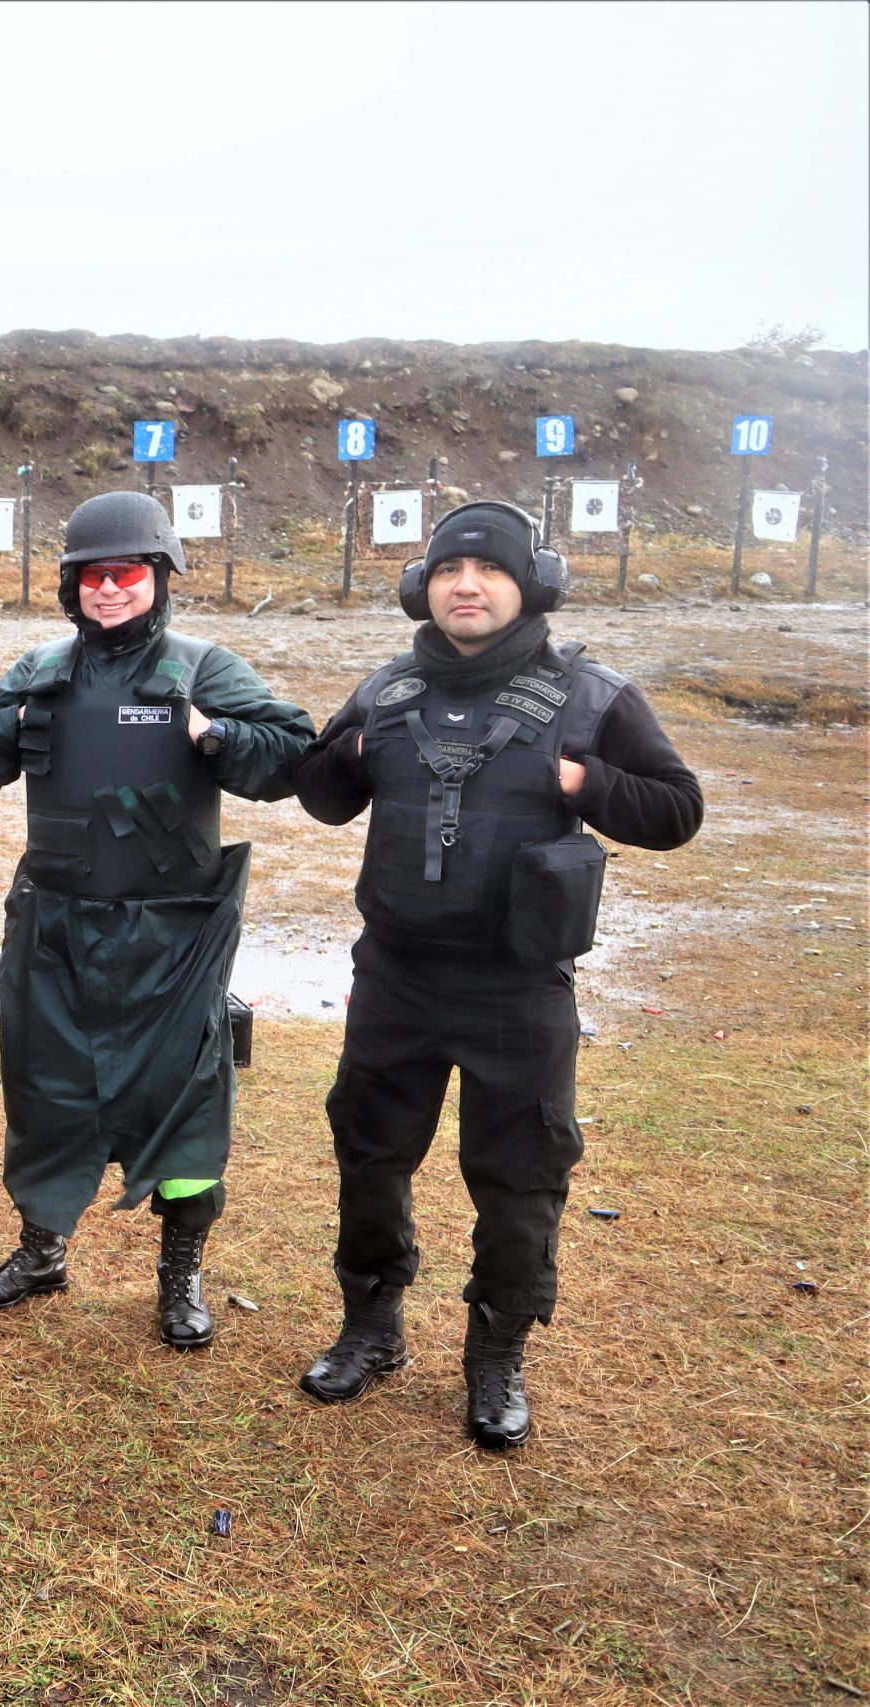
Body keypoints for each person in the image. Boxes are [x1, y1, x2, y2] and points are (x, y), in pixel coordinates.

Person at [292, 500, 703, 1447]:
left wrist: (584, 784)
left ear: (531, 586)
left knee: (519, 1177)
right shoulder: (387, 690)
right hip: (395, 975)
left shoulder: (592, 698)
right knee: (371, 1154)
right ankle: (371, 1326)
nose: (464, 587)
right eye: (446, 572)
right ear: (420, 588)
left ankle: (496, 1353)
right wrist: (344, 757)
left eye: (486, 572)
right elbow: (319, 796)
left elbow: (678, 810)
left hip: (518, 987)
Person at [0, 491, 315, 1344]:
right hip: (55, 925)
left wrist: (218, 737)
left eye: (126, 573)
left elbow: (294, 752)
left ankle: (179, 1278)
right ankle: (41, 1251)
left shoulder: (203, 667)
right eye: (89, 576)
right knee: (47, 1095)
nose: (108, 590)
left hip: (171, 936)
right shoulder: (42, 667)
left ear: (159, 577)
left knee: (183, 1104)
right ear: (69, 586)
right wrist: (11, 722)